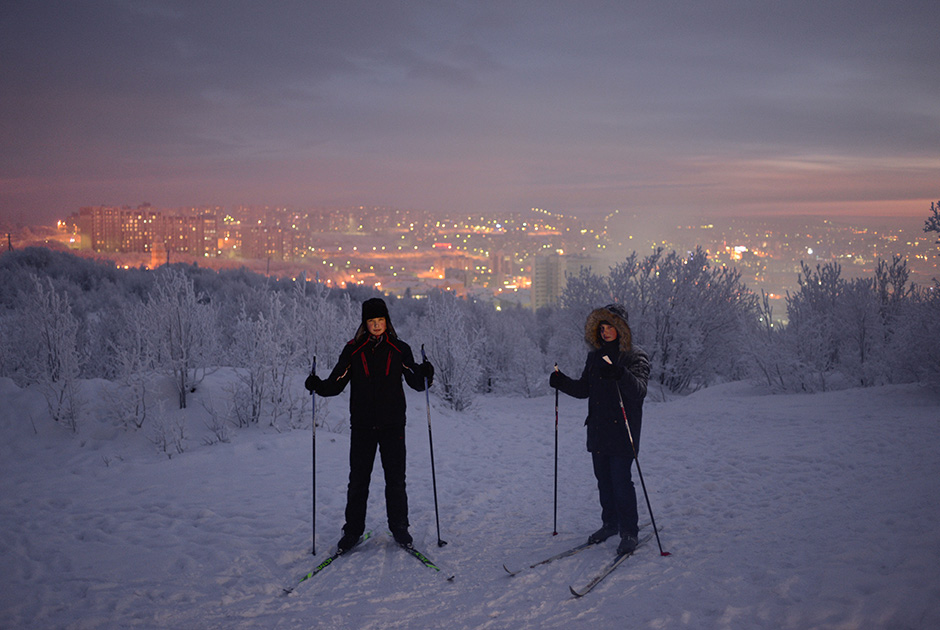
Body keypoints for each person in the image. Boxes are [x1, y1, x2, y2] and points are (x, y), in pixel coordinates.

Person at [305, 297, 434, 552]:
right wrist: (317, 385)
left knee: (395, 479)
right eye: (372, 321)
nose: (376, 325)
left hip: (393, 424)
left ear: (387, 322)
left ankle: (400, 528)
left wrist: (427, 373)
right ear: (365, 323)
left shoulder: (399, 349)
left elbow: (416, 383)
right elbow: (337, 382)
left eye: (380, 321)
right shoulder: (353, 350)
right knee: (358, 480)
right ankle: (352, 531)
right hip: (363, 425)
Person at [549, 303, 650, 555]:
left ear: (621, 329)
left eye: (610, 327)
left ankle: (629, 532)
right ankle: (610, 524)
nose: (605, 332)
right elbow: (585, 390)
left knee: (620, 482)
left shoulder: (634, 356)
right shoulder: (594, 356)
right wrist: (561, 383)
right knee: (604, 482)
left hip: (623, 431)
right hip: (598, 430)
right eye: (602, 327)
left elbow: (639, 392)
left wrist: (621, 374)